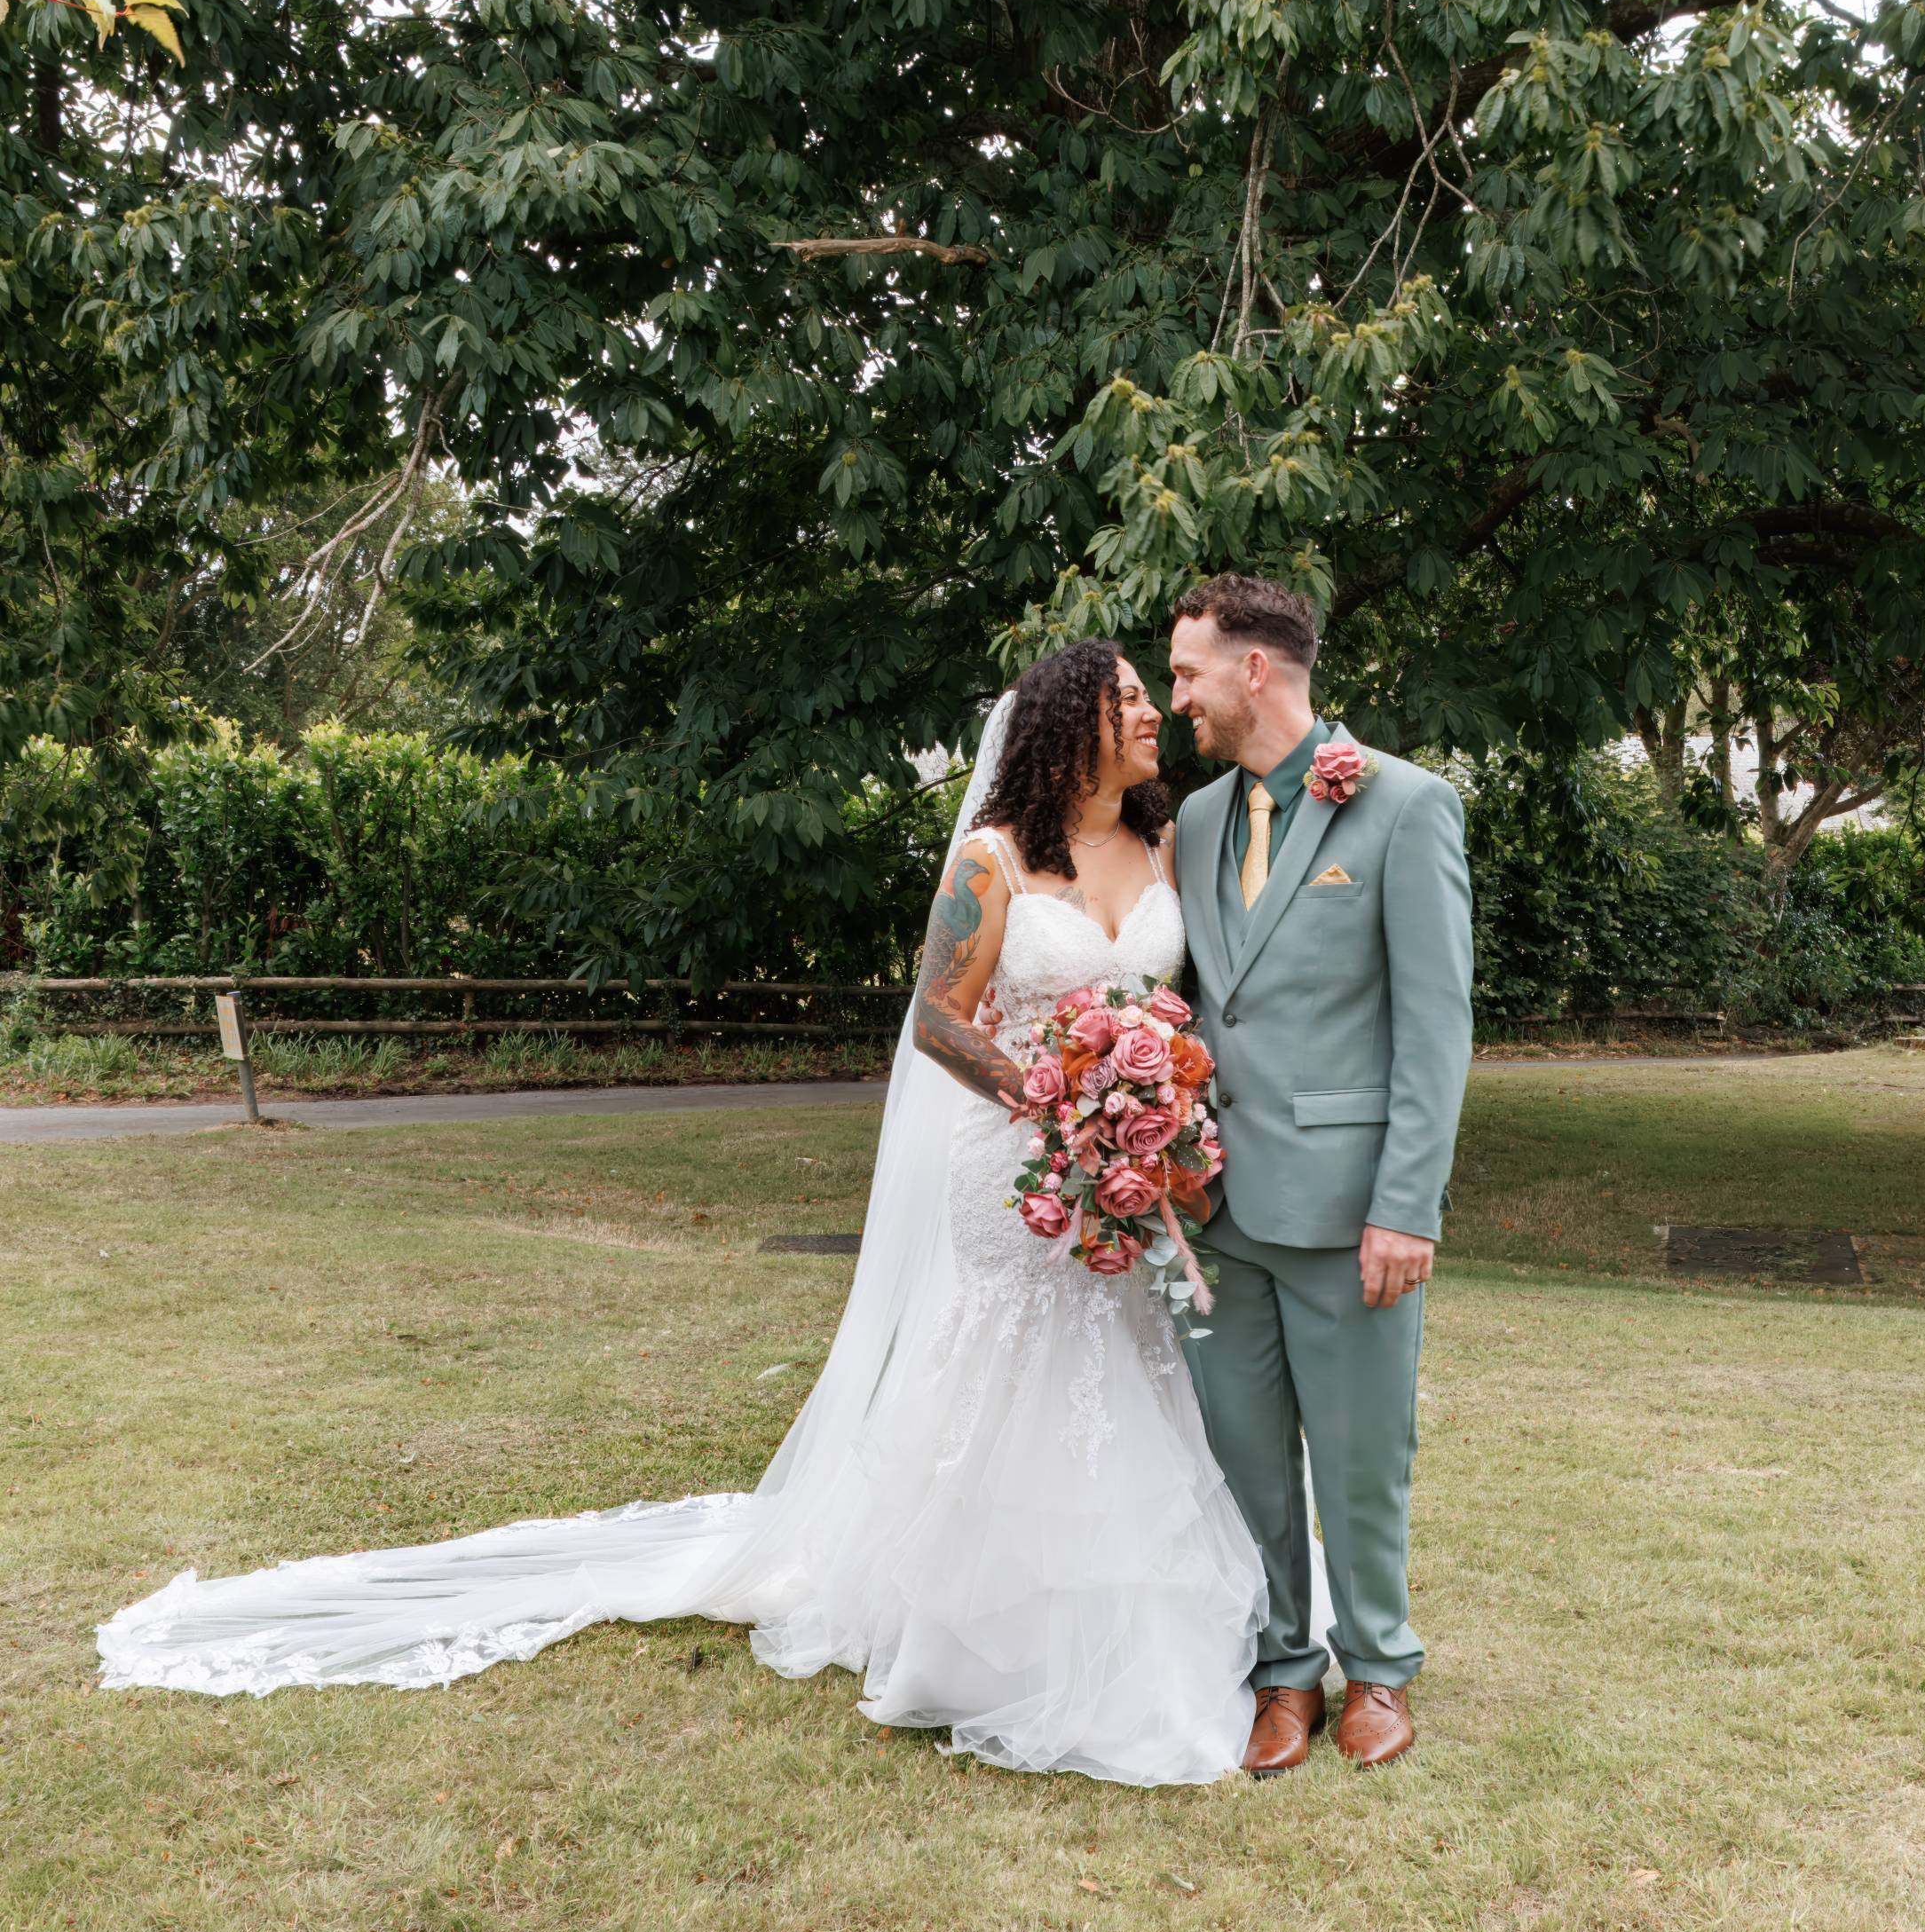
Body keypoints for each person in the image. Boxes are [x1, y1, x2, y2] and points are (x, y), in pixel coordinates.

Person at [96, 640, 1270, 1788]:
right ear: (1067, 726)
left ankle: (1131, 1616)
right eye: (1126, 698)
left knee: (1120, 1357)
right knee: (1012, 1365)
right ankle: (980, 1632)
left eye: (1148, 694)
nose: (1148, 712)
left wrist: (1144, 1106)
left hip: (1122, 1164)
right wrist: (1053, 1097)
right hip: (1012, 1164)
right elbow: (936, 1019)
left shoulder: (1163, 840)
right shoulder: (993, 859)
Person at [1167, 573, 1473, 1773]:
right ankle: (1283, 1669)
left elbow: (1435, 1027)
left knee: (1359, 1455)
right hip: (1211, 1204)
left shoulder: (1407, 804)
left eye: (1187, 671)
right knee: (1242, 1452)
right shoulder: (1196, 820)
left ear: (1255, 669)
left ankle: (1379, 1666)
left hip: (1351, 1208)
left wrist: (1408, 1206)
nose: (1176, 697)